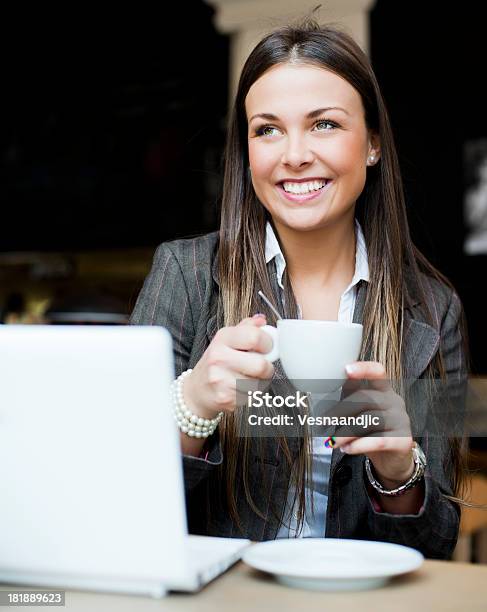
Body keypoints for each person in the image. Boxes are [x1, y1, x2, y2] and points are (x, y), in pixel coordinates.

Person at [130, 19, 469, 559]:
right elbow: (121, 498)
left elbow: (436, 543)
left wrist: (399, 470)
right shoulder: (185, 275)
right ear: (246, 151)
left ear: (374, 144)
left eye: (325, 125)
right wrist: (191, 405)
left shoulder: (432, 308)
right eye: (267, 129)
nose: (293, 155)